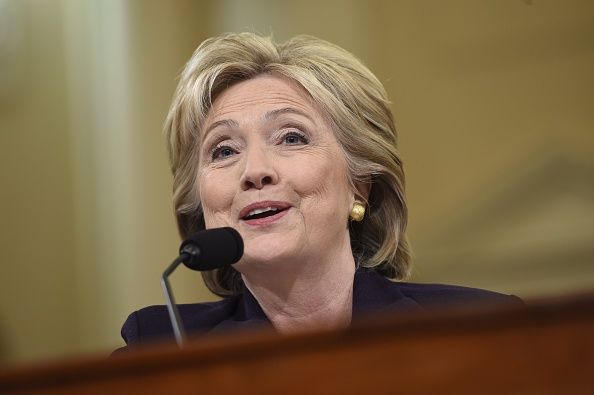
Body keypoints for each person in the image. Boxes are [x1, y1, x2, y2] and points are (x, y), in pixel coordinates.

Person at [118, 32, 520, 347]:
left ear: (360, 187)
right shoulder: (161, 346)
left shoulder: (481, 328)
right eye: (223, 150)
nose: (254, 171)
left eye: (291, 138)